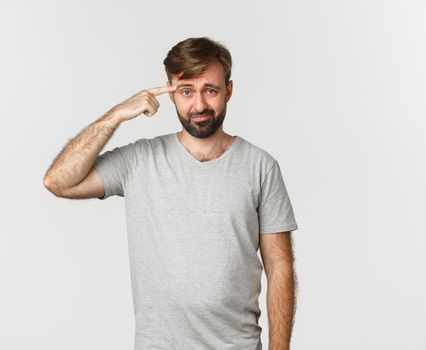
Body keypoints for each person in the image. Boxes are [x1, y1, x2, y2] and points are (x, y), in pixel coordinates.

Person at [44, 37, 299, 350]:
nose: (200, 105)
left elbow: (280, 268)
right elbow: (59, 181)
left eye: (211, 90)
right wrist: (116, 115)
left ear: (228, 91)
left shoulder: (261, 167)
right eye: (186, 91)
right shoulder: (139, 160)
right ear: (170, 92)